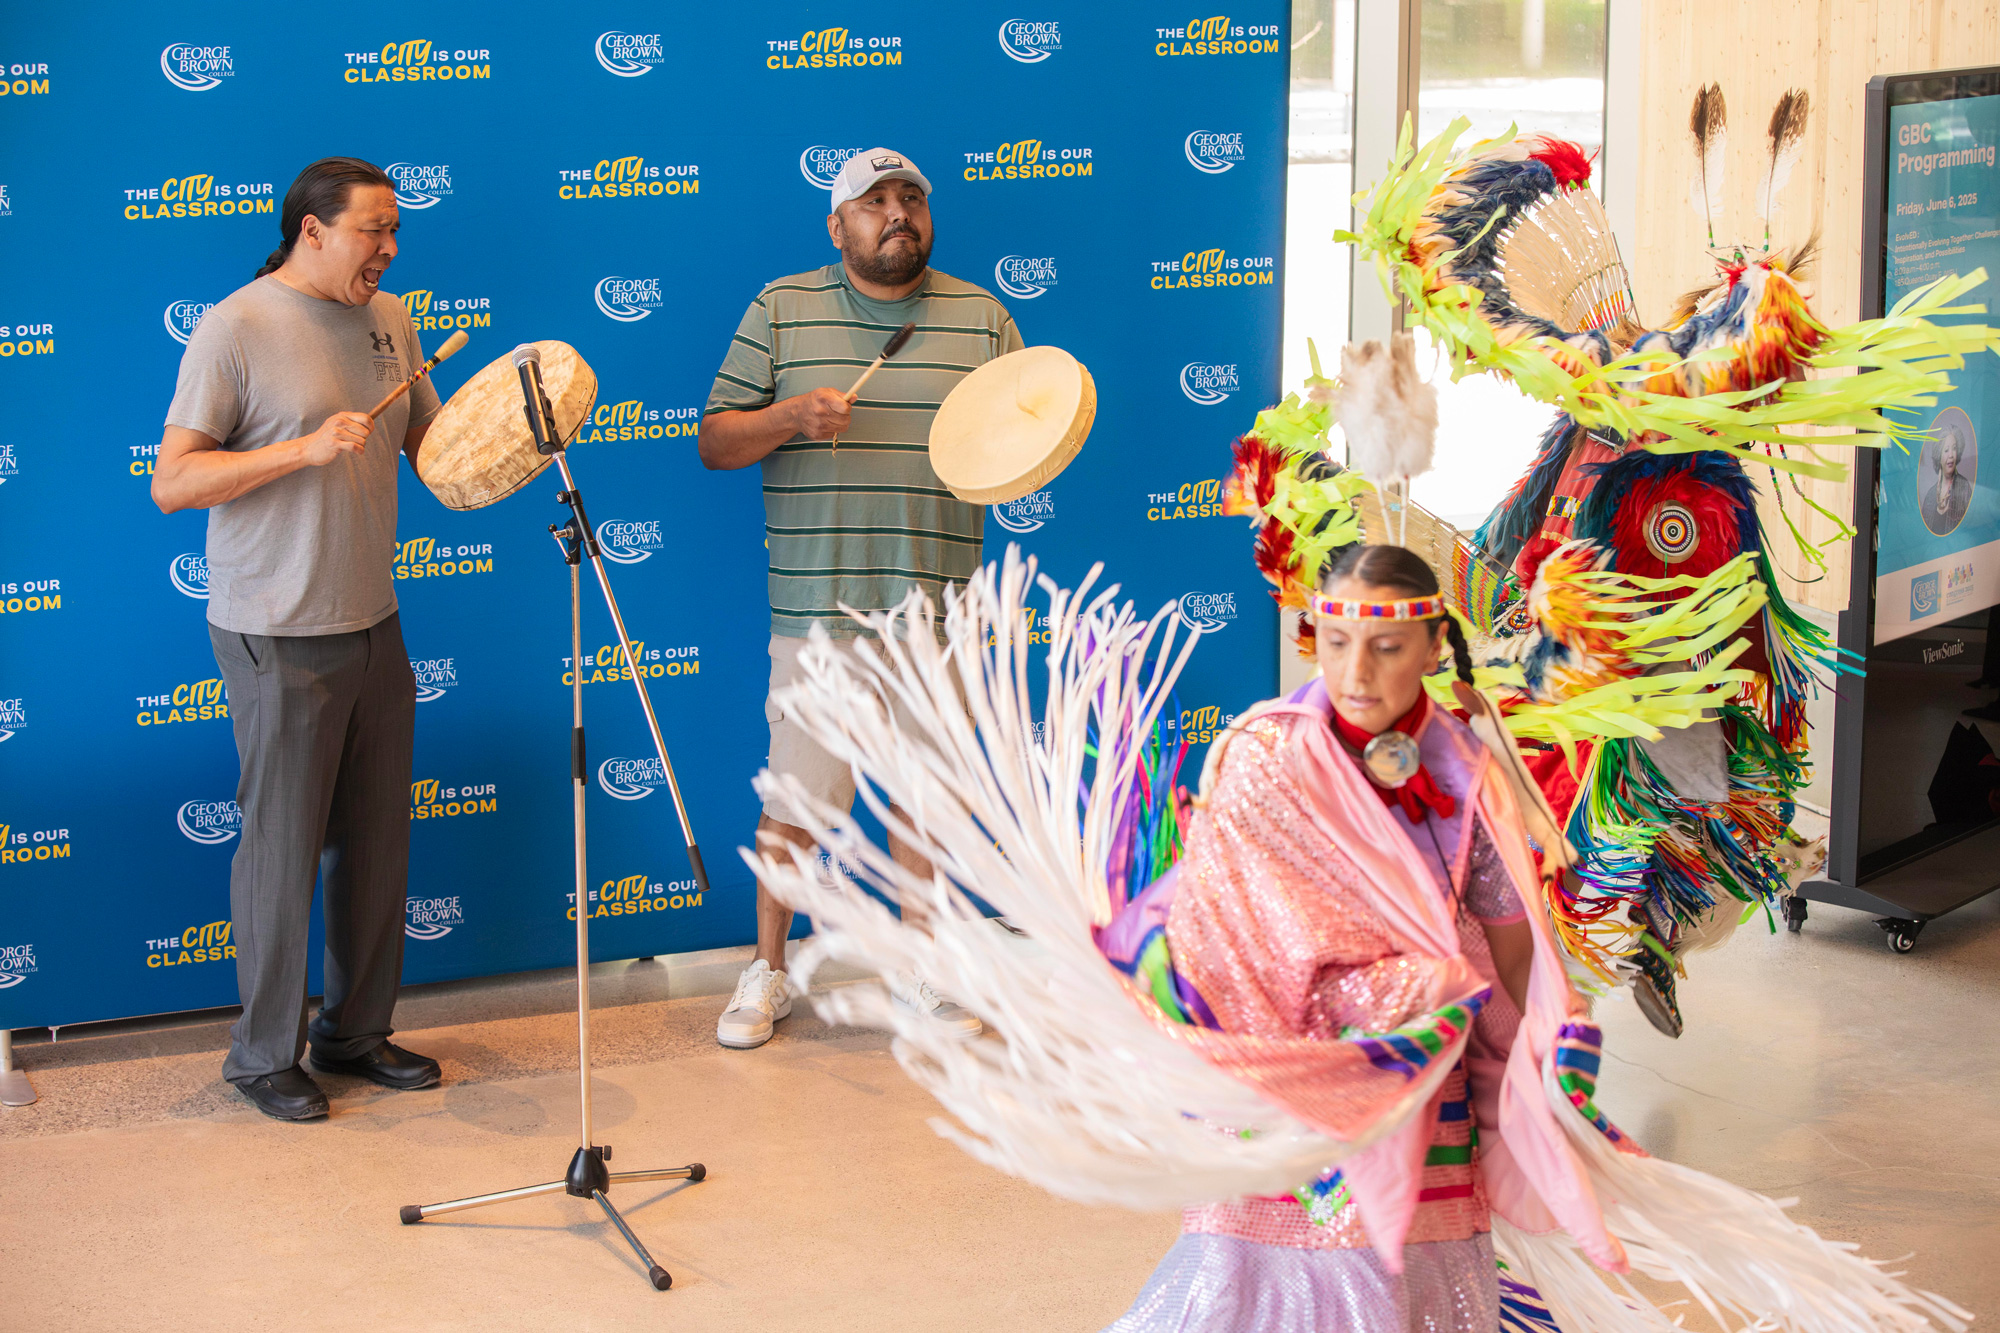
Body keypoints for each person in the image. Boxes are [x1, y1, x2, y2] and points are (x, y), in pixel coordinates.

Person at [698, 148, 1023, 1049]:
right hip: (818, 609)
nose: (896, 214)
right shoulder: (780, 307)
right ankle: (767, 970)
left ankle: (923, 964)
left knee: (930, 798)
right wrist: (790, 418)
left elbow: (1019, 434)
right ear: (836, 226)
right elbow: (715, 441)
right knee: (797, 800)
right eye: (873, 202)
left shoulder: (982, 317)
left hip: (941, 614)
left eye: (910, 199)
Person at [152, 157, 443, 1121]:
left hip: (374, 616)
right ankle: (261, 1055)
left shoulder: (391, 319)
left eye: (394, 231)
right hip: (276, 629)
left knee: (374, 844)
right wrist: (304, 448)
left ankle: (354, 1033)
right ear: (312, 231)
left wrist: (521, 419)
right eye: (374, 231)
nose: (390, 249)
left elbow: (430, 447)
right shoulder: (236, 326)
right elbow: (175, 482)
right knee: (280, 851)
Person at [1922, 424, 1972, 537]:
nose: (1951, 455)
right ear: (1938, 456)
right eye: (1946, 450)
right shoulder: (1930, 495)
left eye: (1954, 449)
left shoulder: (1964, 487)